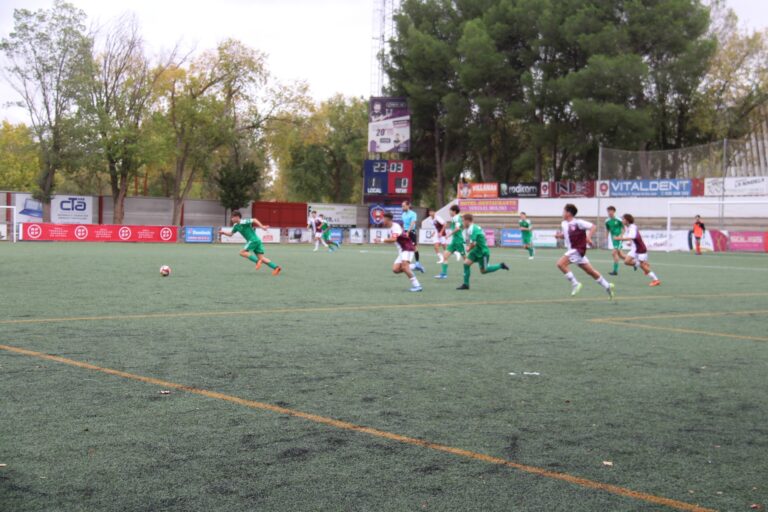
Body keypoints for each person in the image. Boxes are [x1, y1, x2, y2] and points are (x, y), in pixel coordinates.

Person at [555, 204, 614, 298]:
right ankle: (607, 286)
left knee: (560, 264)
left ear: (568, 213)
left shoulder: (578, 222)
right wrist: (559, 236)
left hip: (577, 250)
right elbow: (566, 235)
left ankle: (575, 283)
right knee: (590, 271)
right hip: (573, 251)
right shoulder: (564, 223)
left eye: (564, 211)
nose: (562, 213)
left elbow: (593, 227)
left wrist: (588, 238)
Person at [219, 211, 281, 275]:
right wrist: (223, 233)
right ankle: (276, 267)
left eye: (232, 217)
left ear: (237, 217)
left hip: (253, 240)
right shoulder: (236, 226)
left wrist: (262, 226)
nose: (231, 219)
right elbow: (230, 234)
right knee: (261, 258)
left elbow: (254, 220)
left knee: (242, 252)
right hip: (256, 240)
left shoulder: (243, 222)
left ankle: (257, 262)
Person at [457, 214, 509, 290]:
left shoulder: (473, 229)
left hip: (483, 252)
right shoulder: (473, 227)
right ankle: (466, 284)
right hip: (476, 250)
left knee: (484, 271)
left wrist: (468, 248)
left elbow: (473, 243)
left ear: (468, 221)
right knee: (466, 264)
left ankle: (501, 265)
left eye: (463, 220)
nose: (463, 222)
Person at [377, 212, 423, 292]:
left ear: (388, 220)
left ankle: (417, 286)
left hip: (407, 248)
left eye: (383, 219)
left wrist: (381, 240)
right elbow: (392, 240)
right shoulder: (390, 228)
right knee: (395, 270)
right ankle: (415, 266)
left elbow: (393, 239)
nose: (382, 221)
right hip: (402, 250)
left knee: (405, 267)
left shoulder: (396, 227)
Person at [614, 213, 661, 287]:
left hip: (640, 248)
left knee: (642, 266)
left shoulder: (632, 227)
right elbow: (627, 235)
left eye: (623, 219)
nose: (622, 220)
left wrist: (619, 238)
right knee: (626, 261)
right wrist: (627, 241)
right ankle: (643, 264)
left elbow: (631, 236)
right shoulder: (628, 227)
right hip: (634, 248)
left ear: (627, 220)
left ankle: (656, 280)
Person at [434, 204, 465, 279]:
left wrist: (449, 234)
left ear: (454, 211)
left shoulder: (456, 218)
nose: (449, 212)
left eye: (450, 211)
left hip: (458, 241)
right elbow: (461, 227)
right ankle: (444, 274)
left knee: (466, 259)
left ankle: (466, 272)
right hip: (454, 241)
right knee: (445, 256)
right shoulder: (455, 218)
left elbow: (457, 228)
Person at [401, 201, 424, 273]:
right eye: (402, 206)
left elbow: (412, 223)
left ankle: (417, 263)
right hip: (405, 232)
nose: (402, 208)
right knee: (405, 248)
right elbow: (404, 224)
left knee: (414, 248)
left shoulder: (413, 214)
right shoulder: (403, 214)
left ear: (408, 206)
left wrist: (408, 232)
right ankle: (409, 265)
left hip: (411, 232)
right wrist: (403, 232)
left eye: (404, 206)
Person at [605, 206, 625, 275]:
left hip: (618, 239)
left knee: (613, 253)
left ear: (614, 211)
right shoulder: (607, 221)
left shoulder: (618, 219)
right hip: (613, 239)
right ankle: (634, 262)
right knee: (621, 255)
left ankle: (615, 271)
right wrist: (606, 237)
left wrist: (621, 236)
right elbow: (607, 229)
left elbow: (623, 228)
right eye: (608, 211)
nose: (609, 212)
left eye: (611, 211)